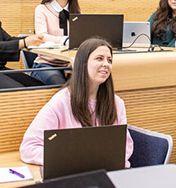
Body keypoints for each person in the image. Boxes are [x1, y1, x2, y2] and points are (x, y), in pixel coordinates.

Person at [20, 38, 134, 166]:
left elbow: (125, 147)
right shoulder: (62, 101)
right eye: (99, 58)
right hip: (76, 172)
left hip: (107, 171)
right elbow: (29, 147)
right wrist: (73, 159)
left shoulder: (116, 103)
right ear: (83, 63)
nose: (106, 64)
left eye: (109, 60)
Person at [31, 0, 81, 85]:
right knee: (61, 84)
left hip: (70, 64)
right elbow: (41, 37)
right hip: (46, 64)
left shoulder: (76, 11)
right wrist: (65, 40)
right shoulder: (42, 9)